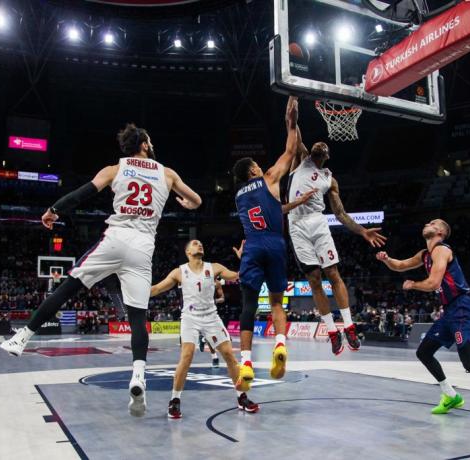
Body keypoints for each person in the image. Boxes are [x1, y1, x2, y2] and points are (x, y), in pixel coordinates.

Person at [0, 123, 202, 417]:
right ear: (144, 144)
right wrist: (187, 203)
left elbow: (82, 194)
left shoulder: (115, 168)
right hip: (143, 246)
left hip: (115, 239)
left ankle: (23, 338)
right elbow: (197, 200)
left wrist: (53, 210)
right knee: (137, 317)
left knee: (68, 287)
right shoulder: (167, 173)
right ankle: (138, 374)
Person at [376, 219, 470, 435]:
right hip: (449, 311)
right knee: (424, 352)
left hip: (462, 309)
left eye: (433, 223)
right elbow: (400, 265)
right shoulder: (425, 254)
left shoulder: (442, 250)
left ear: (441, 232)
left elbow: (434, 283)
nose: (427, 223)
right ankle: (450, 395)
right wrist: (387, 259)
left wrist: (413, 285)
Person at [286, 124, 386, 355]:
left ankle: (349, 328)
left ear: (327, 156)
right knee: (314, 279)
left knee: (333, 274)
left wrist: (362, 231)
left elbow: (339, 214)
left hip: (318, 223)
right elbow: (293, 126)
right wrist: (294, 98)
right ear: (311, 151)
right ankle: (332, 332)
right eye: (316, 145)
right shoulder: (301, 159)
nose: (320, 145)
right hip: (296, 224)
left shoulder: (329, 179)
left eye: (324, 146)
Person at [230, 96, 300, 387]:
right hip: (276, 244)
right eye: (257, 165)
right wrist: (291, 123)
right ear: (253, 171)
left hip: (253, 244)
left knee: (248, 305)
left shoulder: (238, 196)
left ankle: (245, 362)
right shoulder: (270, 177)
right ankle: (281, 345)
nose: (261, 167)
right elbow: (291, 150)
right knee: (275, 303)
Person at [150, 239, 259, 418]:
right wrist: (135, 292)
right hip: (190, 318)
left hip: (211, 317)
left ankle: (242, 397)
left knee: (230, 356)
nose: (199, 245)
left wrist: (245, 259)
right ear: (187, 252)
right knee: (187, 355)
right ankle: (174, 401)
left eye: (201, 243)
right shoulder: (180, 271)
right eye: (194, 243)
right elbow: (156, 289)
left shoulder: (214, 267)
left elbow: (236, 275)